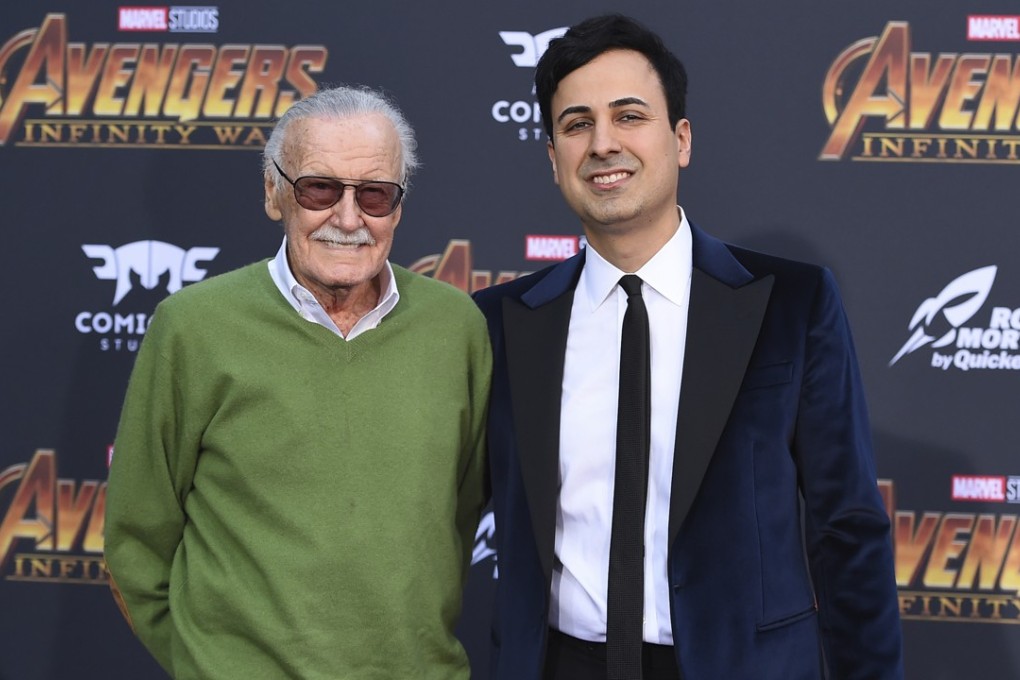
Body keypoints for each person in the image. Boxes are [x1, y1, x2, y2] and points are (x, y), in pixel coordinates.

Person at [473, 14, 902, 680]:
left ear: (682, 140)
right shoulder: (499, 323)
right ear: (554, 160)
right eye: (577, 124)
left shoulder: (791, 304)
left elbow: (847, 530)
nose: (603, 144)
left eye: (630, 116)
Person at [104, 85, 492, 679]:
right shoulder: (193, 327)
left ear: (398, 206)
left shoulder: (457, 327)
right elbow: (137, 539)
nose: (347, 217)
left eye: (374, 194)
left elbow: (460, 514)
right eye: (319, 188)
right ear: (273, 192)